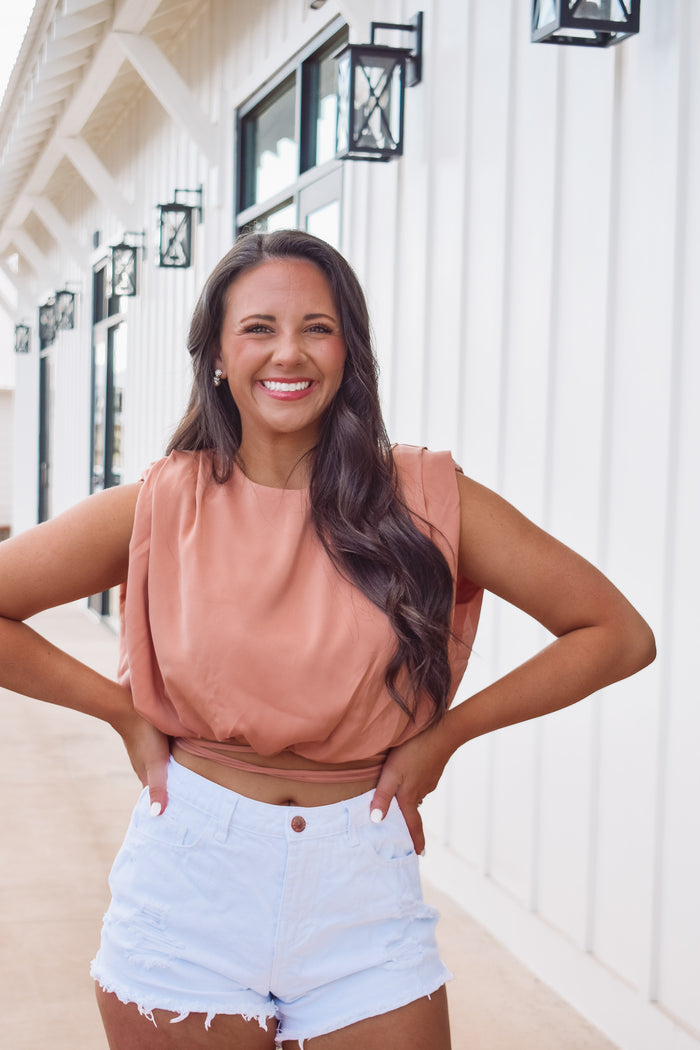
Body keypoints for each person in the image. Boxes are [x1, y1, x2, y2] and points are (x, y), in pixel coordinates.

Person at [0, 230, 655, 1050]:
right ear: (217, 356)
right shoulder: (163, 503)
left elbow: (617, 634)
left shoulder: (425, 495)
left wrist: (446, 738)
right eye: (259, 328)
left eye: (318, 326)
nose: (290, 353)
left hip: (361, 884)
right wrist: (120, 712)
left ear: (349, 350)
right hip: (191, 878)